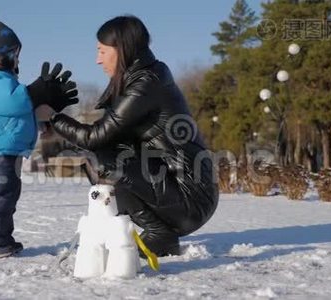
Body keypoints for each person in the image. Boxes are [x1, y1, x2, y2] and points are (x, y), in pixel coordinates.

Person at [45, 15, 219, 257]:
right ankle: (151, 230)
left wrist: (53, 117)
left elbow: (95, 137)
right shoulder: (139, 78)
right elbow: (104, 136)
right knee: (99, 155)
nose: (97, 60)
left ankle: (160, 234)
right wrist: (55, 116)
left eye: (102, 51)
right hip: (175, 187)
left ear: (122, 49)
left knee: (103, 157)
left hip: (191, 196)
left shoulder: (147, 82)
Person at [0, 9, 77, 258]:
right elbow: (12, 103)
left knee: (7, 194)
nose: (18, 61)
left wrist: (47, 111)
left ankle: (0, 238)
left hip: (0, 148)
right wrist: (36, 92)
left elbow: (17, 113)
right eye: (15, 55)